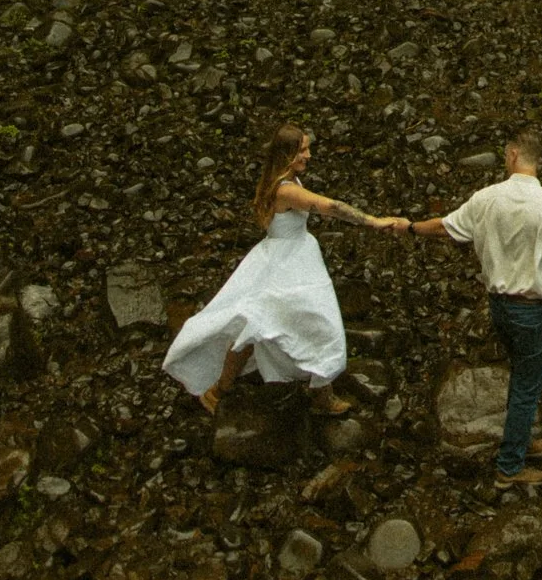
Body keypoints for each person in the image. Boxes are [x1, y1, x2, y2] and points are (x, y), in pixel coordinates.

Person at [163, 122, 410, 415]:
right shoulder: (286, 190)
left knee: (255, 324)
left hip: (281, 255)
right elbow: (330, 207)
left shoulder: (278, 179)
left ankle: (230, 391)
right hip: (287, 262)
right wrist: (374, 221)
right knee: (313, 323)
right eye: (302, 150)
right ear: (286, 154)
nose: (308, 155)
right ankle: (306, 394)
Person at [410, 128, 542, 489]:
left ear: (513, 154)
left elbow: (444, 228)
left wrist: (410, 228)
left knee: (521, 376)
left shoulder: (487, 198)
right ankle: (510, 467)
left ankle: (520, 438)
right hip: (532, 309)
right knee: (526, 383)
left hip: (499, 306)